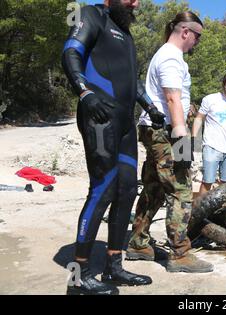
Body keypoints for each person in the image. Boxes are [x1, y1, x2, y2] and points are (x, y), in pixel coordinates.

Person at [62, 0, 155, 295]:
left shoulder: (125, 32)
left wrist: (151, 107)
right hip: (99, 116)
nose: (135, 3)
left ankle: (113, 266)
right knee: (102, 188)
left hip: (126, 123)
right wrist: (84, 91)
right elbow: (71, 51)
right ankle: (78, 276)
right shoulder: (92, 15)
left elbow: (131, 79)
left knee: (127, 189)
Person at [126, 12, 213, 273]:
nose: (197, 41)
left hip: (156, 130)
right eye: (197, 36)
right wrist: (183, 137)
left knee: (154, 187)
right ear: (185, 31)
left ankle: (138, 243)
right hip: (169, 131)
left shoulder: (165, 54)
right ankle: (180, 253)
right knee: (181, 189)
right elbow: (173, 99)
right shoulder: (171, 57)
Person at [192, 73, 226, 196]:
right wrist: (193, 138)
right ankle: (198, 213)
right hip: (211, 146)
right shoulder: (210, 99)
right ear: (223, 85)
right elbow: (199, 118)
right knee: (207, 182)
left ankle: (220, 213)